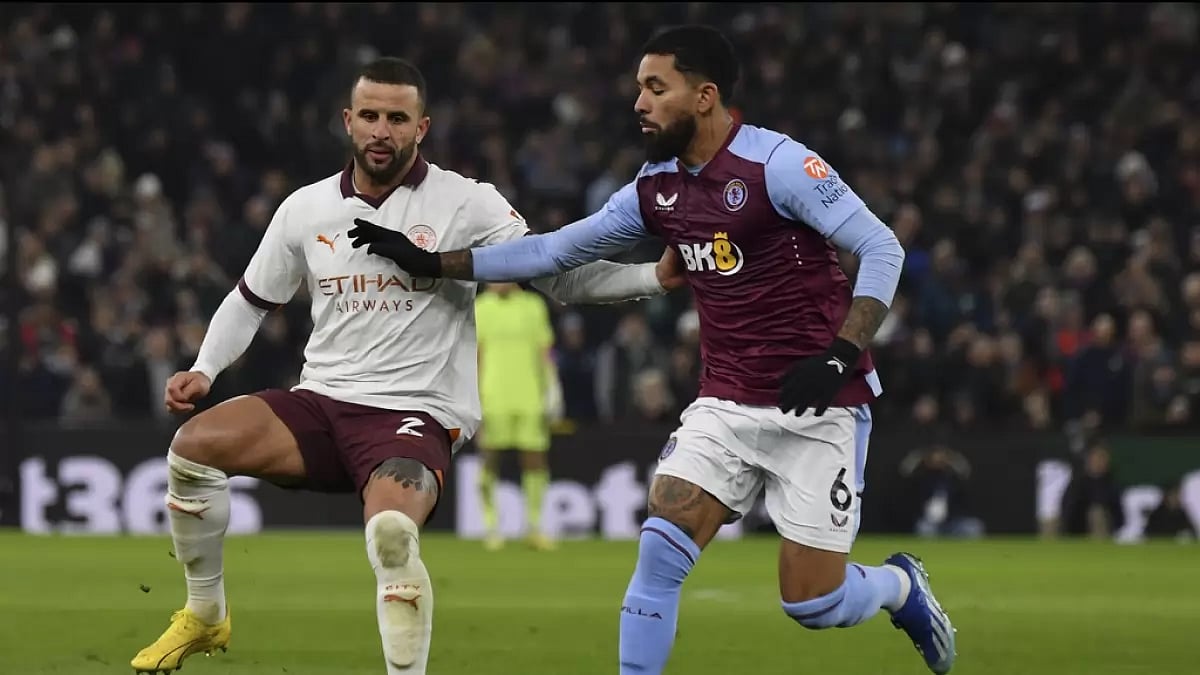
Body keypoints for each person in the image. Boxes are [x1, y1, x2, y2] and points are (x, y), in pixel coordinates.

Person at [348, 25, 957, 675]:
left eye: (655, 87)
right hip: (723, 403)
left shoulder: (778, 165)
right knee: (658, 557)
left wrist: (840, 354)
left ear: (704, 96)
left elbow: (882, 246)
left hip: (820, 402)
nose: (639, 102)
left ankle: (899, 585)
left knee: (813, 602)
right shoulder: (655, 187)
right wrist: (436, 261)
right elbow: (556, 249)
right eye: (639, 86)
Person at [130, 57, 684, 675]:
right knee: (193, 447)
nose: (381, 130)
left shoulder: (465, 201)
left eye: (397, 118)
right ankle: (205, 614)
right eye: (369, 115)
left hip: (413, 413)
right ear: (348, 121)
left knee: (391, 534)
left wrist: (650, 277)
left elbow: (555, 274)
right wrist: (205, 368)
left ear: (422, 126)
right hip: (321, 400)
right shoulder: (306, 209)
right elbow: (252, 300)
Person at [473, 281, 562, 551]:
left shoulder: (533, 306)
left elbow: (544, 351)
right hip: (492, 395)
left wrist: (554, 388)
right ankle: (491, 527)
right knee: (489, 459)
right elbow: (476, 355)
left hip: (530, 396)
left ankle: (534, 527)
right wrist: (473, 396)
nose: (495, 282)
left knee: (534, 460)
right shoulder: (480, 307)